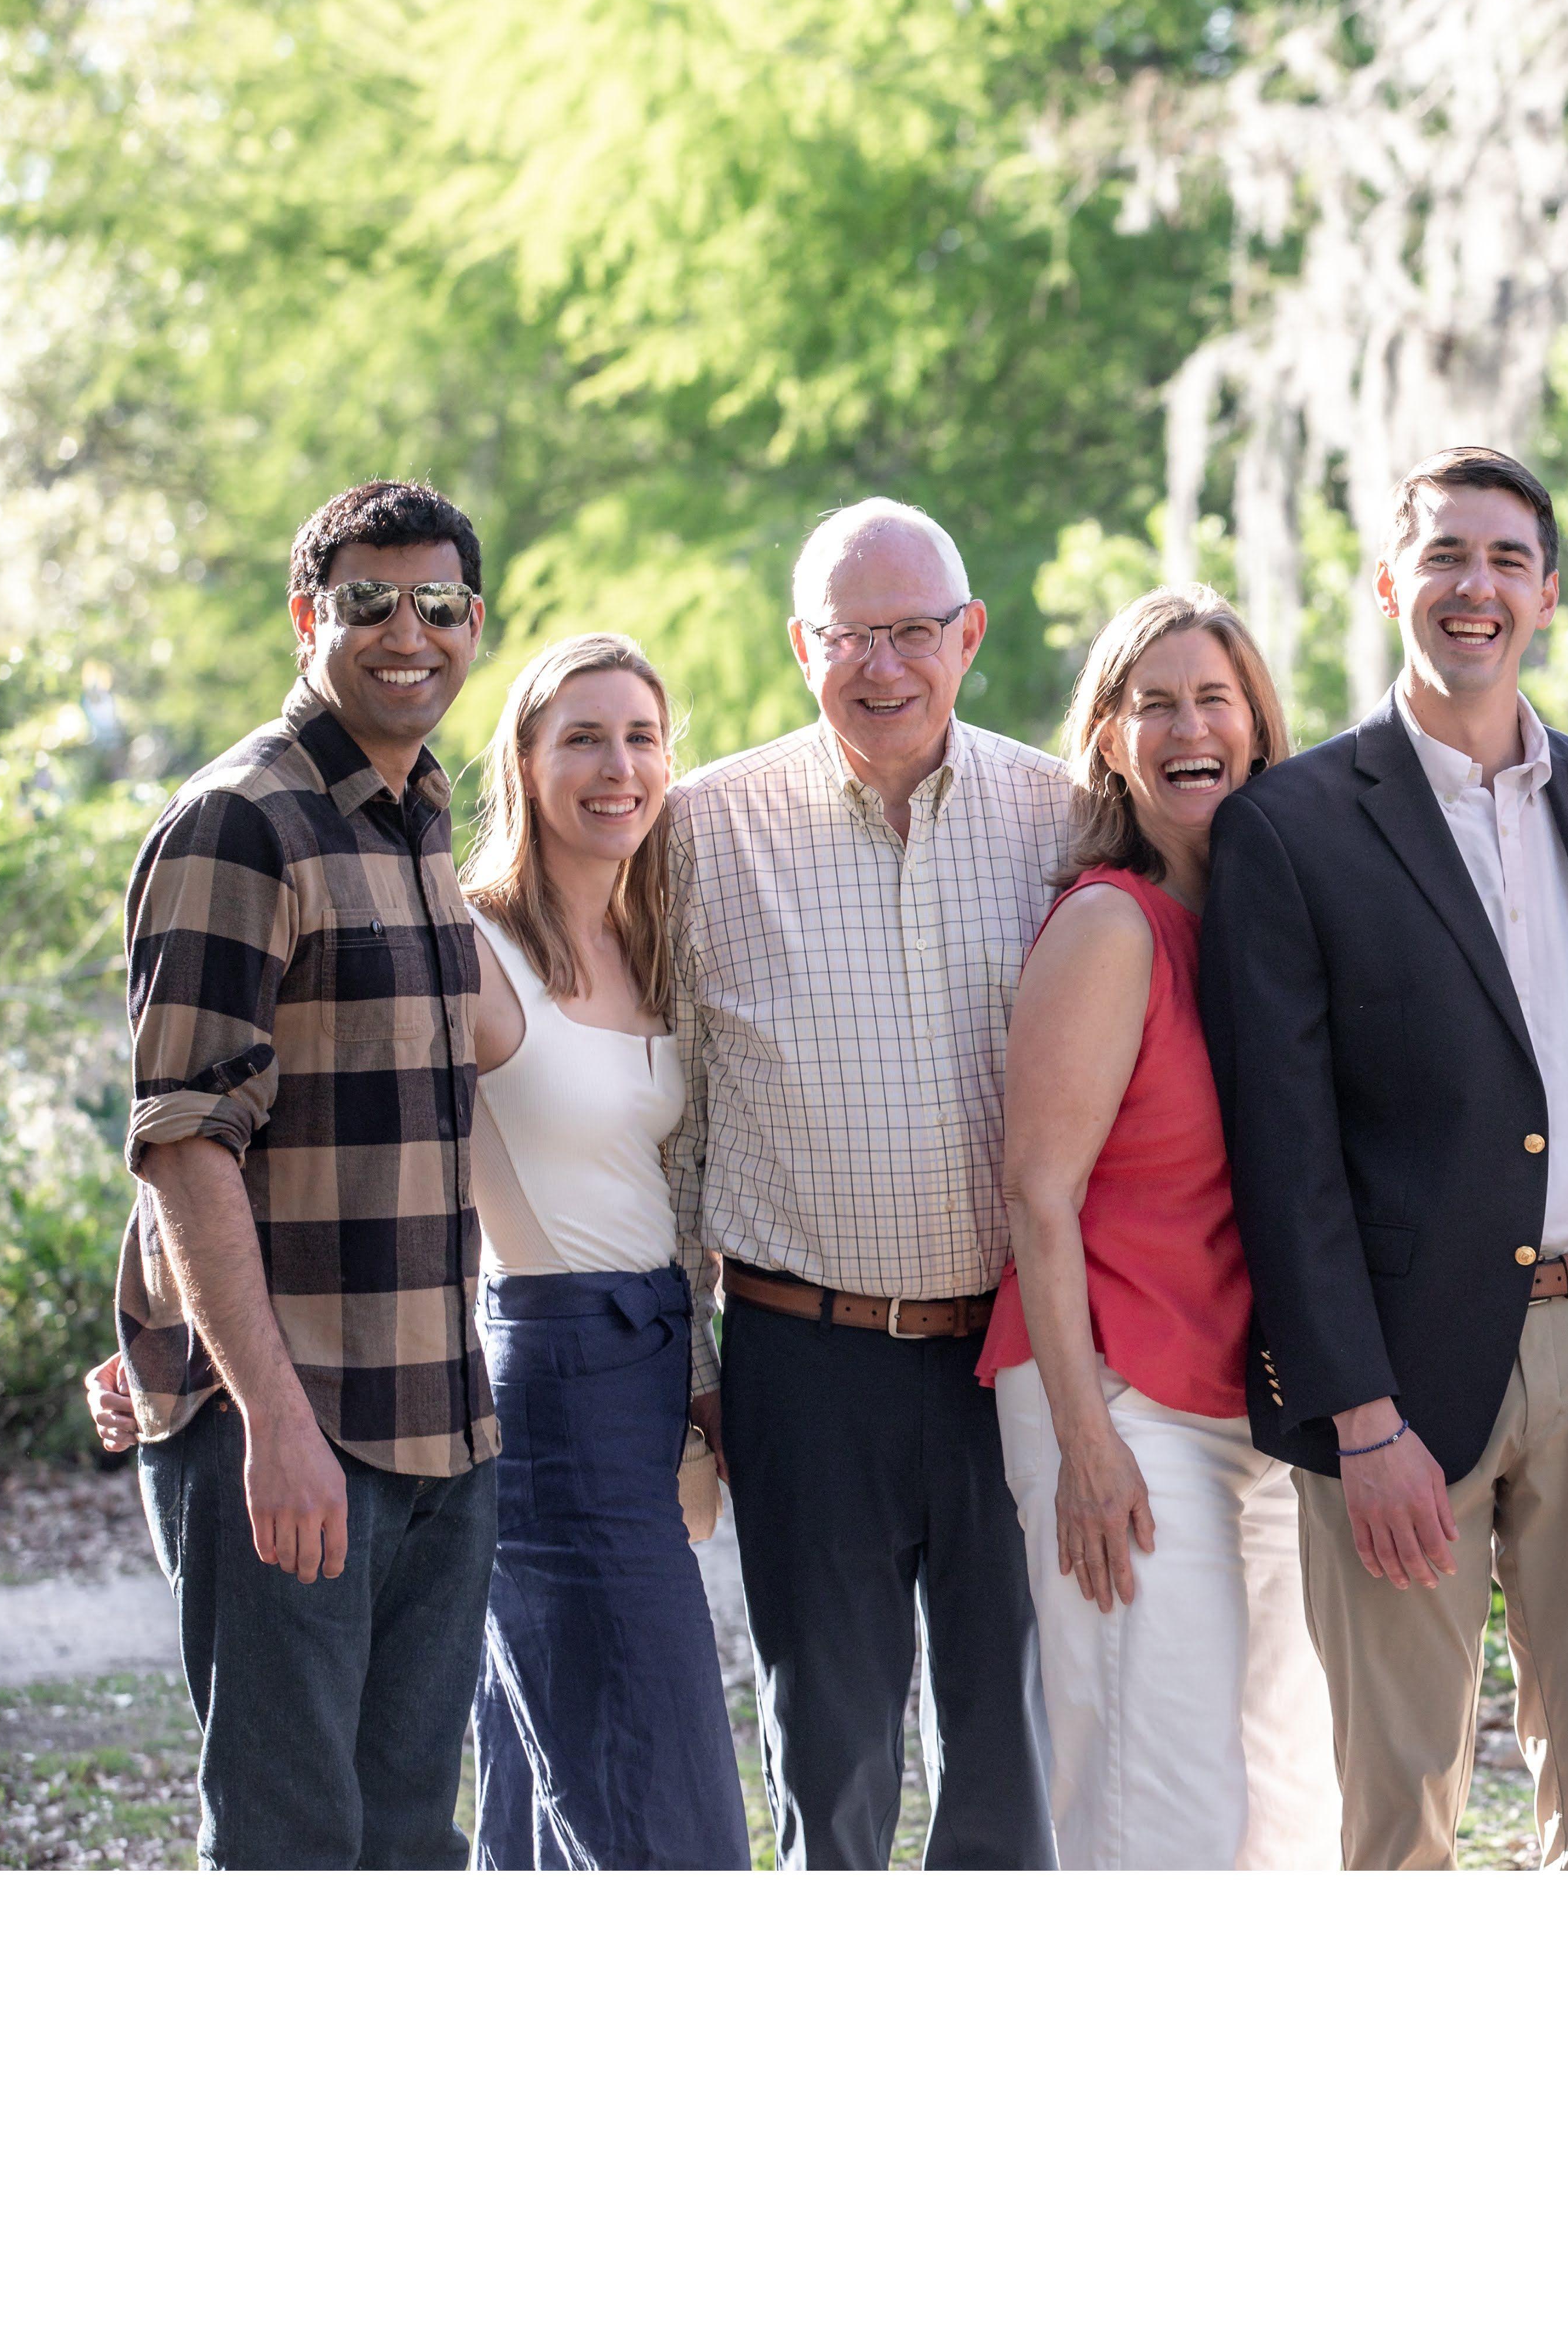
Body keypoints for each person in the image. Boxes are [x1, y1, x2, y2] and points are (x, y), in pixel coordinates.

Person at [1201, 445, 1568, 1870]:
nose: (1475, 587)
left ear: (1546, 593)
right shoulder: (1286, 826)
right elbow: (1282, 1154)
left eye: (1506, 560)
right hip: (1396, 1372)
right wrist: (1357, 1414)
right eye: (1445, 557)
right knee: (1398, 1795)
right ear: (1387, 583)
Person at [665, 496, 1062, 1870]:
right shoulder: (702, 830)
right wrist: (692, 1364)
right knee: (827, 1750)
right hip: (804, 1361)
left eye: (911, 632)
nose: (881, 667)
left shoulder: (1062, 817)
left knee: (1012, 1752)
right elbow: (673, 1128)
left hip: (1012, 1359)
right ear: (801, 646)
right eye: (849, 637)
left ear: (970, 636)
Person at [109, 480, 499, 1868]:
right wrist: (271, 1424)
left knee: (407, 1842)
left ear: (474, 621)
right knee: (289, 1845)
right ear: (305, 616)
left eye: (439, 603)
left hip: (439, 1423)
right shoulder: (241, 821)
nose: (409, 633)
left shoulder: (418, 812)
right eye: (368, 602)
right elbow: (183, 1139)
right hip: (294, 1427)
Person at [980, 588, 1337, 1870]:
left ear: (1258, 727)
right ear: (1110, 740)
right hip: (1123, 1401)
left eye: (1214, 699)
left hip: (1258, 1412)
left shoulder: (1263, 928)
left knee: (1290, 1804)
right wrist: (1086, 1445)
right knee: (1157, 1809)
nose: (1190, 728)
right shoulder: (1109, 924)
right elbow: (1038, 1194)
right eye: (1156, 705)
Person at [459, 633, 750, 1871]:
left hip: (653, 1357)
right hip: (553, 1372)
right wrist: (167, 1319)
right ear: (524, 763)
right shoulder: (467, 945)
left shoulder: (656, 943)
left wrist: (698, 1371)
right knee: (655, 1779)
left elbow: (662, 1189)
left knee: (551, 1766)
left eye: (641, 737)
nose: (618, 766)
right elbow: (311, 1129)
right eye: (582, 737)